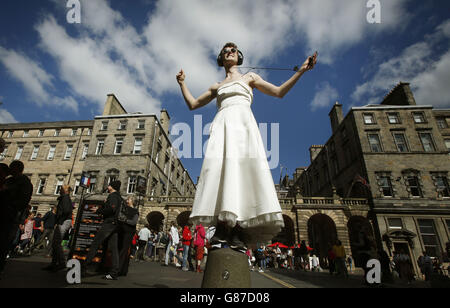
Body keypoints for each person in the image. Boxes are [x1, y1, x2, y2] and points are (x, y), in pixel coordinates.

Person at [177, 43, 317, 249]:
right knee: (221, 172)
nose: (230, 52)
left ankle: (239, 231)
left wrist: (302, 71)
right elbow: (193, 104)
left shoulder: (250, 78)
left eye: (233, 50)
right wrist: (182, 84)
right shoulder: (216, 86)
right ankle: (223, 229)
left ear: (239, 56)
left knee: (243, 172)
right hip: (222, 127)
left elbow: (278, 92)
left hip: (244, 127)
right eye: (225, 51)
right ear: (221, 59)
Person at [82, 180, 122, 280]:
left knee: (95, 244)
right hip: (115, 224)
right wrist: (105, 205)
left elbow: (112, 209)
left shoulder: (113, 196)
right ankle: (114, 272)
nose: (107, 186)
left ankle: (83, 267)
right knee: (114, 249)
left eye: (109, 185)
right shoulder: (119, 197)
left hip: (109, 224)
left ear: (111, 187)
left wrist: (99, 210)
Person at [43, 185, 73, 272]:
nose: (60, 189)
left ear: (65, 190)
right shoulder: (64, 198)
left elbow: (66, 210)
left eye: (62, 188)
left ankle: (62, 263)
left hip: (63, 221)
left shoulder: (65, 198)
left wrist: (59, 220)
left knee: (56, 242)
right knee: (55, 242)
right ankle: (54, 264)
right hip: (63, 221)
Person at [117, 195, 139, 276]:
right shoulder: (124, 208)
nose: (127, 200)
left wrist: (125, 220)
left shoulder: (135, 211)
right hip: (122, 231)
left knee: (124, 251)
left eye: (128, 199)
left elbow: (133, 222)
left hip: (129, 233)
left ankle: (120, 270)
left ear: (132, 201)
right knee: (121, 250)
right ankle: (121, 269)